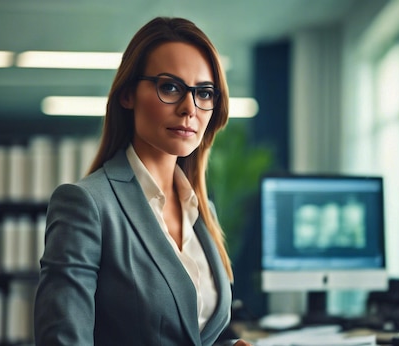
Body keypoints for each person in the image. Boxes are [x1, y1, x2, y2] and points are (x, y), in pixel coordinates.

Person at [34, 17, 251, 346]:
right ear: (127, 95)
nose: (189, 108)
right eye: (170, 87)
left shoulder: (201, 210)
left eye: (204, 93)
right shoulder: (86, 204)